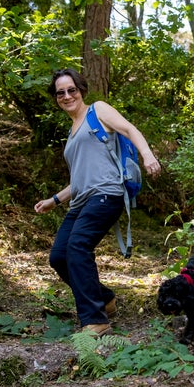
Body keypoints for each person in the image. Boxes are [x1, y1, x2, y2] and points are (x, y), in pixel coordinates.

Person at [34, 69, 161, 337]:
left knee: (78, 247)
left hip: (107, 194)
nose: (67, 96)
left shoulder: (97, 110)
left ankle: (96, 320)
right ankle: (103, 299)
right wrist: (55, 200)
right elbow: (80, 178)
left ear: (81, 90)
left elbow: (129, 128)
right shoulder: (71, 132)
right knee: (59, 257)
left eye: (72, 90)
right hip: (80, 201)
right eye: (61, 92)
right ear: (56, 98)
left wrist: (147, 155)